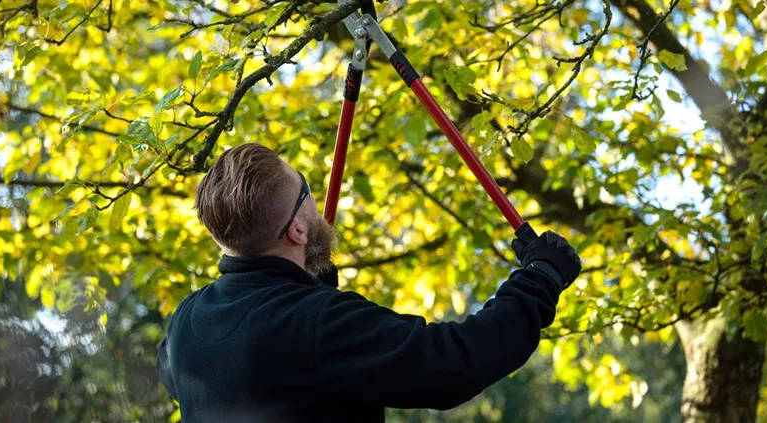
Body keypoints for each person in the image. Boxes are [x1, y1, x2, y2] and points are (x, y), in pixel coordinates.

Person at [157, 143, 581, 423]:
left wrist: (305, 291)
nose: (314, 201)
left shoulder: (185, 323)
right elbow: (452, 362)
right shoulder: (320, 323)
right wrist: (539, 280)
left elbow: (216, 371)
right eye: (306, 190)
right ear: (297, 231)